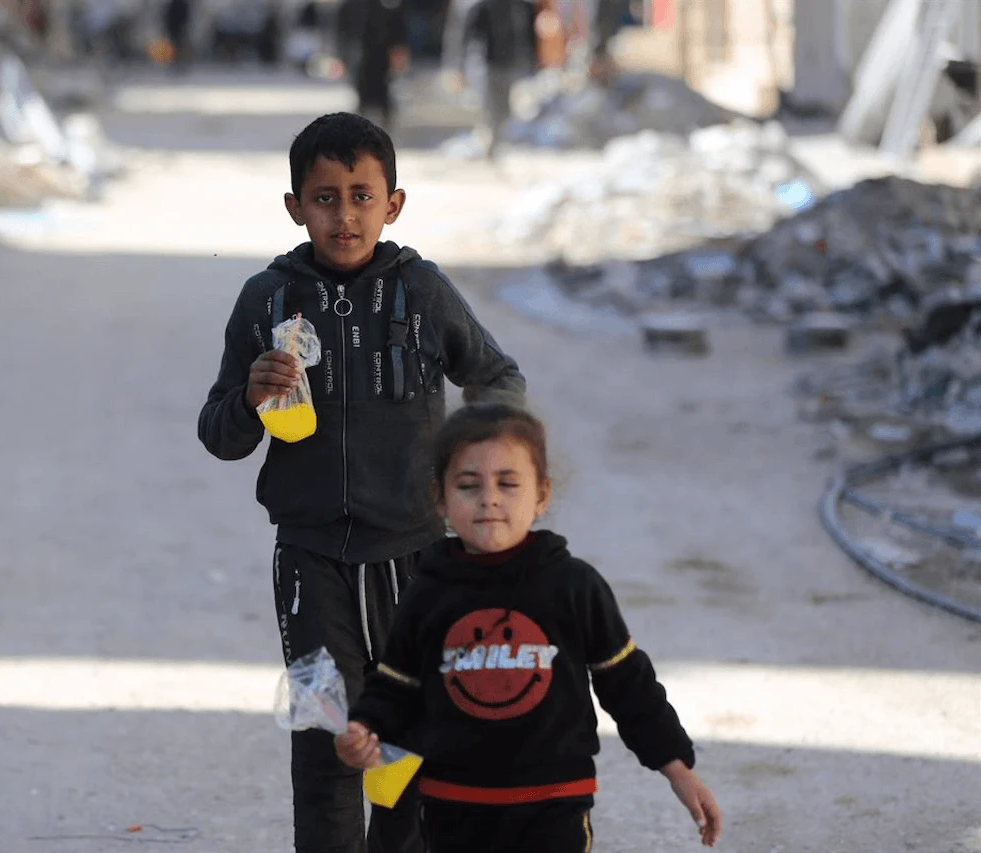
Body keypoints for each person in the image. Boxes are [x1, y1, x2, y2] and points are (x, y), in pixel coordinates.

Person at [197, 112, 525, 853]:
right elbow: (218, 434)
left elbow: (497, 377)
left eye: (360, 195)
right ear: (294, 207)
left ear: (394, 203)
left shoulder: (422, 291)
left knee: (406, 745)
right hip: (310, 560)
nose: (343, 215)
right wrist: (251, 396)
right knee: (326, 736)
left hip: (416, 556)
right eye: (323, 197)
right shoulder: (266, 301)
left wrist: (489, 479)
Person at [335, 403, 724, 852]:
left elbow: (629, 686)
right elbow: (395, 688)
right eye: (468, 485)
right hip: (452, 809)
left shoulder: (574, 586)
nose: (489, 498)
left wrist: (677, 768)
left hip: (553, 805)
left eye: (508, 483)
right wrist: (363, 730)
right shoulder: (427, 594)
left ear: (541, 496)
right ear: (439, 499)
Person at [460, 0, 537, 159]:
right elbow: (471, 36)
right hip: (489, 65)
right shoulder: (483, 7)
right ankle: (491, 141)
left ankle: (497, 140)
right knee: (491, 105)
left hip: (512, 64)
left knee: (505, 107)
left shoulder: (522, 7)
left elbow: (529, 35)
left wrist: (531, 62)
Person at [337, 0, 411, 130]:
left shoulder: (388, 5)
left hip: (381, 54)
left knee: (383, 87)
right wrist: (342, 56)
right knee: (362, 86)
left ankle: (384, 120)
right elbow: (343, 31)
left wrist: (399, 52)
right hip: (360, 54)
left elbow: (397, 29)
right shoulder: (351, 6)